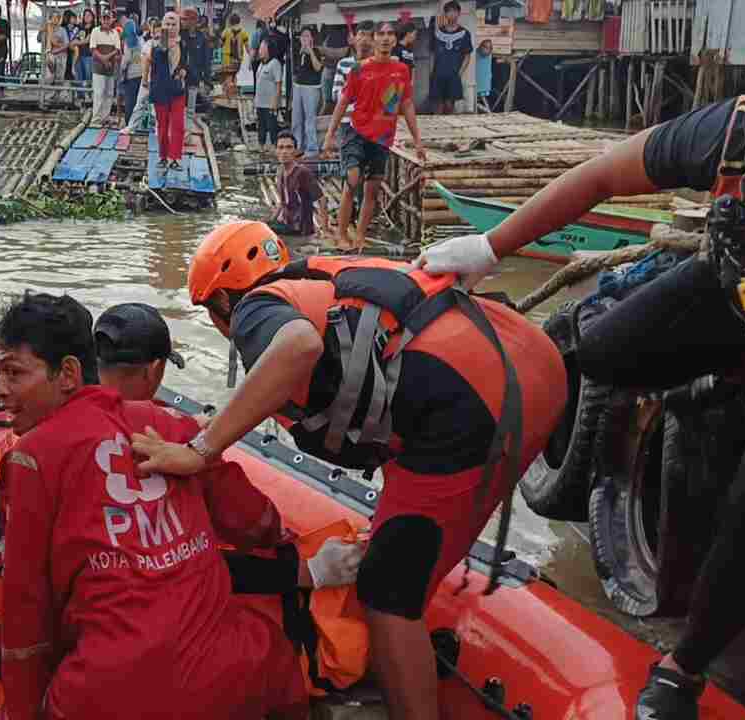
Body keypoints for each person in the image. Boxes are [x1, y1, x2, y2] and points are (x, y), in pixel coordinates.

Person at [414, 30, 745, 720]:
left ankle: (685, 668)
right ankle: (721, 383)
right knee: (604, 351)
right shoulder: (729, 134)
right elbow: (603, 175)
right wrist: (490, 246)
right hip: (740, 295)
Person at [134, 220, 567, 720]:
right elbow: (385, 392)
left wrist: (200, 450)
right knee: (400, 548)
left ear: (222, 303)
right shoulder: (327, 279)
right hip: (533, 365)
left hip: (472, 405)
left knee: (386, 592)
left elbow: (298, 348)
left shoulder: (258, 308)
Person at [0, 292, 311, 720]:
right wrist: (289, 549)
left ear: (68, 374)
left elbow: (28, 616)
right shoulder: (175, 429)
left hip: (98, 685)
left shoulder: (30, 456)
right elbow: (256, 521)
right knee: (265, 644)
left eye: (12, 373)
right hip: (230, 678)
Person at [324, 20, 426, 251]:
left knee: (371, 190)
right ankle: (341, 235)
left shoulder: (401, 70)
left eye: (391, 34)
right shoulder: (360, 69)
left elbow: (407, 105)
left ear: (395, 40)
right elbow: (342, 102)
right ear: (374, 38)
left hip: (382, 137)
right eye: (381, 33)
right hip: (356, 132)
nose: (386, 38)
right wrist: (329, 134)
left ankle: (359, 237)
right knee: (351, 181)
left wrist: (418, 141)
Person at [143, 12, 187, 170]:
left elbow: (188, 63)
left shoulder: (184, 43)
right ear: (162, 25)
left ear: (179, 26)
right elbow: (149, 62)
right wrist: (145, 81)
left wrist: (184, 71)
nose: (170, 27)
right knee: (162, 125)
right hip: (160, 89)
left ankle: (175, 158)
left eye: (173, 23)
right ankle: (163, 156)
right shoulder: (156, 44)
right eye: (167, 23)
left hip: (177, 90)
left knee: (178, 125)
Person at [269, 132, 327, 237]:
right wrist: (270, 222)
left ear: (295, 151)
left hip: (300, 229)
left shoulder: (302, 173)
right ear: (276, 151)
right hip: (287, 224)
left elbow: (321, 199)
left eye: (289, 147)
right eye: (280, 148)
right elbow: (282, 203)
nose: (284, 152)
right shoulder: (280, 171)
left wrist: (325, 229)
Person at [429, 1, 472, 114]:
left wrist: (459, 73)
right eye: (449, 11)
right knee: (438, 106)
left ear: (459, 14)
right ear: (445, 14)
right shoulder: (438, 33)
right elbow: (433, 54)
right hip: (438, 75)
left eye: (454, 11)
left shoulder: (465, 33)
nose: (452, 14)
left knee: (449, 106)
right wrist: (431, 71)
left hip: (453, 76)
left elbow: (467, 56)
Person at [292, 26, 324, 158]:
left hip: (311, 88)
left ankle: (312, 148)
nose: (304, 38)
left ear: (312, 38)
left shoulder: (316, 51)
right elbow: (296, 72)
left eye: (307, 36)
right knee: (296, 119)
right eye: (302, 36)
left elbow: (318, 68)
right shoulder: (298, 52)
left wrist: (310, 50)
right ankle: (298, 146)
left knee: (309, 119)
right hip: (298, 87)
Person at [89, 9, 121, 123]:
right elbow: (93, 49)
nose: (106, 21)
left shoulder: (115, 33)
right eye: (104, 18)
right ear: (101, 19)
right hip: (98, 67)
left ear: (112, 20)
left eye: (108, 18)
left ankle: (105, 117)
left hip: (110, 67)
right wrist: (104, 59)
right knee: (98, 93)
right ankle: (96, 118)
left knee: (109, 93)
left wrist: (107, 58)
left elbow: (117, 50)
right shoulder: (95, 31)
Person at [181, 8, 209, 123]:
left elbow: (206, 60)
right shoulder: (178, 34)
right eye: (182, 19)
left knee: (191, 109)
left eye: (184, 19)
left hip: (194, 78)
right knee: (179, 107)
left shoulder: (201, 37)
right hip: (179, 78)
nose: (182, 21)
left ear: (192, 20)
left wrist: (206, 79)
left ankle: (189, 130)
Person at [253, 41, 282, 150]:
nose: (259, 51)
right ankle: (261, 146)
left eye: (261, 48)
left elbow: (279, 83)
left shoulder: (275, 63)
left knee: (272, 126)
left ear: (268, 50)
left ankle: (275, 147)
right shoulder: (261, 64)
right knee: (261, 126)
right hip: (260, 102)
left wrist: (275, 101)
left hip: (270, 103)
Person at [118, 18, 144, 128]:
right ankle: (138, 123)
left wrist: (121, 69)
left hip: (131, 75)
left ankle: (129, 123)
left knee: (130, 101)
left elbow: (126, 60)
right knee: (139, 101)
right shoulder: (141, 40)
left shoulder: (128, 43)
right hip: (142, 73)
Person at [220, 12, 249, 99]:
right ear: (239, 21)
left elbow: (220, 44)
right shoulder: (244, 33)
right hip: (238, 60)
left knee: (228, 77)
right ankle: (233, 95)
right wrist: (251, 59)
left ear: (230, 21)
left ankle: (229, 97)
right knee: (234, 76)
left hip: (227, 59)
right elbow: (247, 47)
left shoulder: (226, 32)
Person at [475, 38, 494, 111]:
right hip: (480, 82)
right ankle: (487, 111)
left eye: (489, 48)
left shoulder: (488, 55)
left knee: (479, 99)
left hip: (482, 82)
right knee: (478, 99)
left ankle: (488, 111)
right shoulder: (476, 53)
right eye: (485, 47)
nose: (487, 50)